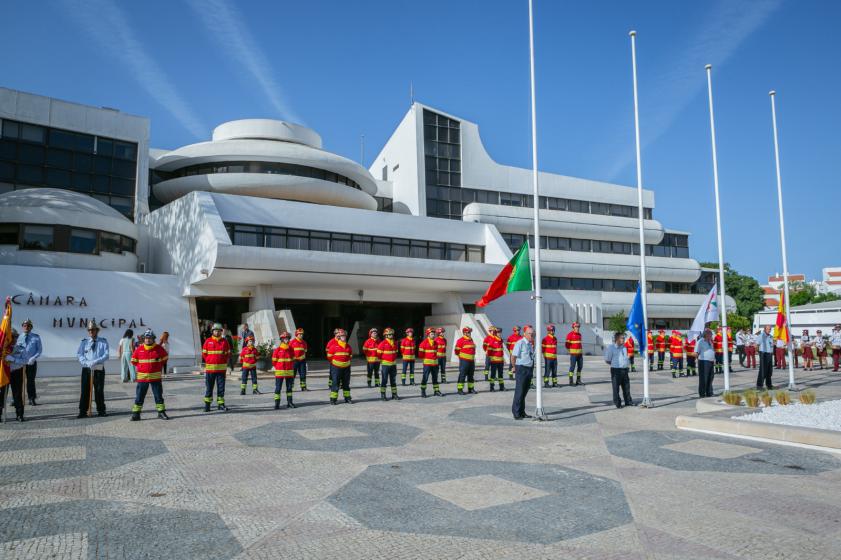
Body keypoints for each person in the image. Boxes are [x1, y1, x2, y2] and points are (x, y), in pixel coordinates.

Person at [130, 329, 169, 421]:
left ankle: (161, 412)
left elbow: (165, 358)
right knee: (139, 396)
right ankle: (136, 414)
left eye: (150, 338)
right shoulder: (139, 349)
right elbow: (133, 361)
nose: (148, 340)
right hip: (142, 378)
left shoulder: (159, 348)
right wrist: (142, 367)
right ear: (144, 339)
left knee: (158, 396)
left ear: (153, 339)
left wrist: (158, 366)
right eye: (146, 338)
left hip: (155, 377)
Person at [76, 321, 109, 418]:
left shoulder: (103, 341)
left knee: (99, 390)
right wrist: (86, 363)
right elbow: (79, 354)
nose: (91, 331)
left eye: (93, 330)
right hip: (87, 368)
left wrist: (96, 361)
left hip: (98, 368)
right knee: (85, 390)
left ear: (97, 331)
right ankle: (83, 411)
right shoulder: (84, 342)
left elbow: (106, 355)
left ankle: (101, 410)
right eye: (89, 330)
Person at [201, 323, 230, 412]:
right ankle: (207, 405)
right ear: (212, 331)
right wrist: (210, 361)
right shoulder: (208, 341)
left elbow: (228, 354)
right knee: (209, 387)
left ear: (221, 332)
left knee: (221, 388)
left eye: (219, 331)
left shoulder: (225, 342)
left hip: (221, 370)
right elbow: (204, 354)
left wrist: (223, 361)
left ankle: (221, 404)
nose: (217, 332)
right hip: (210, 369)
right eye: (215, 330)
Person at [1, 329, 28, 422]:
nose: (13, 338)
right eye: (11, 336)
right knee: (1, 394)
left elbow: (25, 361)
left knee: (17, 394)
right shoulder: (2, 348)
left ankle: (19, 414)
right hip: (4, 373)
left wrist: (13, 359)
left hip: (16, 372)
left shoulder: (21, 348)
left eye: (15, 336)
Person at [511, 325, 536, 420]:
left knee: (525, 391)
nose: (531, 335)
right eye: (529, 333)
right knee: (519, 391)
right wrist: (514, 367)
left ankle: (522, 411)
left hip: (529, 369)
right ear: (524, 334)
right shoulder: (520, 343)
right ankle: (516, 412)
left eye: (532, 333)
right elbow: (513, 356)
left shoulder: (530, 344)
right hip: (521, 368)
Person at [604, 332, 632, 408]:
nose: (623, 339)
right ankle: (617, 403)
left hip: (625, 370)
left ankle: (628, 401)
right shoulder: (611, 348)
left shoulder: (624, 347)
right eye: (622, 338)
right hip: (616, 370)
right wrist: (615, 365)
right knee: (616, 388)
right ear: (617, 339)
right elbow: (607, 359)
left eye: (624, 338)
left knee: (626, 387)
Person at [326, 328, 353, 404]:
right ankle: (333, 399)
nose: (343, 337)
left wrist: (345, 363)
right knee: (335, 383)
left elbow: (350, 356)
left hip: (346, 367)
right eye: (342, 336)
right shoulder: (334, 346)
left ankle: (347, 398)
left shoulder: (348, 346)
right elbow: (329, 356)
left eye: (344, 336)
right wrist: (336, 363)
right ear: (339, 337)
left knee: (346, 383)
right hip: (336, 368)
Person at [19, 319, 42, 406]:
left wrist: (33, 358)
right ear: (22, 327)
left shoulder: (36, 337)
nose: (26, 327)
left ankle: (31, 398)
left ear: (31, 327)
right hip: (20, 363)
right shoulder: (18, 337)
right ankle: (16, 399)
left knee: (30, 381)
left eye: (28, 326)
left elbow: (39, 350)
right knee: (18, 381)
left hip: (31, 362)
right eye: (24, 326)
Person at [272, 331, 296, 409]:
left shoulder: (291, 349)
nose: (286, 340)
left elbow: (293, 359)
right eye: (285, 338)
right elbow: (274, 361)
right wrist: (279, 367)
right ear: (282, 339)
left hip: (289, 372)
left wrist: (290, 367)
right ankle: (277, 403)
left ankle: (290, 402)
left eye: (287, 338)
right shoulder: (277, 349)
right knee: (278, 388)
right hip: (280, 372)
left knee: (289, 388)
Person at [418, 327, 443, 398]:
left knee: (435, 378)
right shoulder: (423, 343)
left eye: (434, 334)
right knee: (425, 378)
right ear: (428, 335)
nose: (433, 335)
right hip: (427, 364)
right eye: (432, 334)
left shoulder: (436, 343)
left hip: (435, 364)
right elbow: (420, 354)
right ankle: (423, 391)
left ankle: (436, 391)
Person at [377, 327, 400, 401]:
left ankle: (394, 394)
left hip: (393, 365)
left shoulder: (395, 343)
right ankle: (383, 395)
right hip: (385, 365)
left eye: (392, 334)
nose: (391, 336)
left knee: (393, 380)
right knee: (384, 380)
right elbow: (379, 354)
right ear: (386, 335)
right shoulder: (382, 343)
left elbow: (396, 353)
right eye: (389, 334)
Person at [454, 326, 477, 395]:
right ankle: (460, 389)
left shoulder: (471, 340)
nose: (470, 333)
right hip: (464, 361)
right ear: (464, 333)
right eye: (468, 332)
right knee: (462, 375)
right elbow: (456, 351)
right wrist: (461, 357)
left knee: (471, 375)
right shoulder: (460, 340)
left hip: (471, 361)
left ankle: (471, 389)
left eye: (470, 332)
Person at [696, 329, 716, 398]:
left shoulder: (710, 342)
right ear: (706, 334)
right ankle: (702, 393)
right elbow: (696, 352)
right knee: (703, 378)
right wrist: (694, 360)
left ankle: (709, 392)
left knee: (711, 377)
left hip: (710, 361)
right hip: (703, 361)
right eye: (711, 334)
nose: (712, 335)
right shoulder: (700, 341)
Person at [486, 326, 506, 391]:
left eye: (500, 332)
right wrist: (491, 359)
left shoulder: (501, 340)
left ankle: (501, 387)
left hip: (500, 361)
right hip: (494, 361)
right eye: (498, 332)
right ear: (495, 333)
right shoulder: (492, 340)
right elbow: (489, 351)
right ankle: (492, 387)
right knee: (493, 375)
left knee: (501, 375)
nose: (499, 333)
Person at [756, 325, 775, 390]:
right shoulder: (761, 336)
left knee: (769, 371)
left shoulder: (770, 336)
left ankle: (769, 385)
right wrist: (759, 353)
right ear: (764, 329)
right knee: (763, 370)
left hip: (769, 354)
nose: (769, 330)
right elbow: (757, 344)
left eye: (770, 329)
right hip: (763, 353)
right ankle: (759, 385)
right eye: (768, 329)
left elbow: (772, 345)